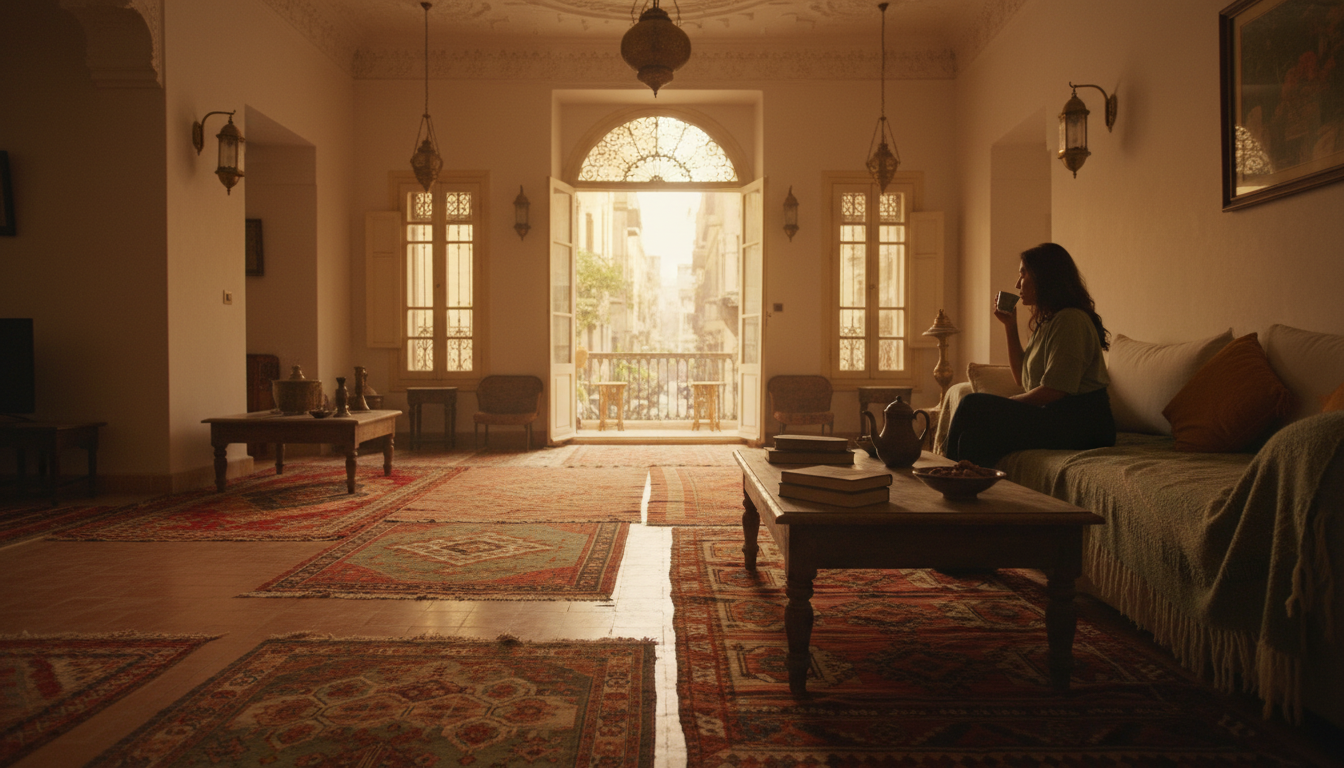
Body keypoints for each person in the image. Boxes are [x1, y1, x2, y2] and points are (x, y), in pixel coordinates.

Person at [945, 242, 1116, 468]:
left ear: (1044, 277)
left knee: (972, 404)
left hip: (1083, 424)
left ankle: (943, 475)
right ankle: (962, 489)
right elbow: (1021, 379)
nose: (1017, 284)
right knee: (972, 439)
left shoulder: (1070, 320)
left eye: (1023, 274)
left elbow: (1054, 390)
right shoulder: (1048, 322)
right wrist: (1009, 326)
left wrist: (1003, 406)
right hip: (1055, 416)